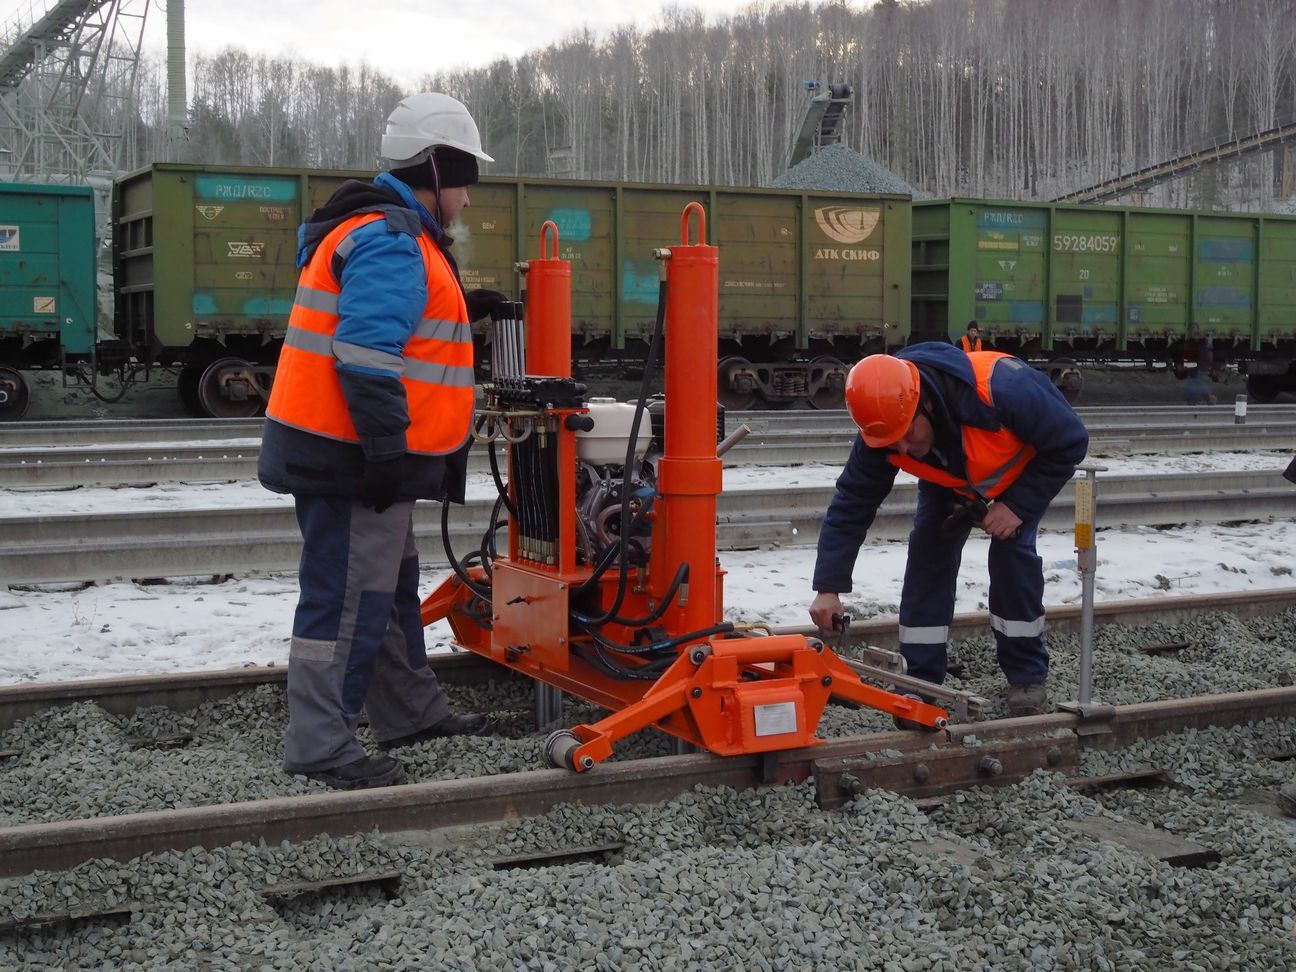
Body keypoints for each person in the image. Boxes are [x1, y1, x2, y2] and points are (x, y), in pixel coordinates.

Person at [258, 92, 498, 790]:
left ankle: (407, 711)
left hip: (357, 454)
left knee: (388, 590)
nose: (467, 200)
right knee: (346, 599)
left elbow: (402, 323)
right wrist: (387, 451)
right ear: (435, 166)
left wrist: (463, 304)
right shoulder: (392, 238)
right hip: (355, 459)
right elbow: (366, 354)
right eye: (464, 182)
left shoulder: (388, 233)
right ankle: (321, 745)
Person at [807, 343, 1088, 718]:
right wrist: (828, 587)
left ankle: (1027, 676)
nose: (904, 449)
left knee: (1012, 556)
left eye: (907, 435)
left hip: (1020, 476)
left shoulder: (1004, 389)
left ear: (925, 403)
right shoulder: (884, 425)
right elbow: (852, 503)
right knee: (927, 554)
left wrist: (1017, 506)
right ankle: (920, 683)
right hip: (953, 481)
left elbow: (1071, 441)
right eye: (892, 443)